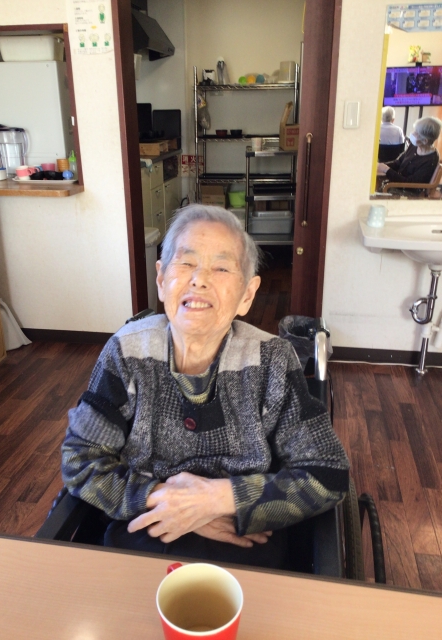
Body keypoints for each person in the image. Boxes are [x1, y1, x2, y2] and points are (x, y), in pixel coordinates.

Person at [61, 205, 349, 569]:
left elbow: (328, 473)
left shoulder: (271, 360)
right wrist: (175, 503)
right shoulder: (127, 352)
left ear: (247, 294)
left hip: (244, 536)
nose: (199, 279)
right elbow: (81, 460)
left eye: (222, 268)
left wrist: (215, 499)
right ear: (161, 278)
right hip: (147, 524)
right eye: (186, 263)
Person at [377, 116, 441, 191]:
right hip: (395, 184)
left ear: (425, 141)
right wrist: (380, 166)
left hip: (407, 191)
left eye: (416, 133)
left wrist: (387, 170)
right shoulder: (414, 146)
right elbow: (398, 163)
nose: (412, 133)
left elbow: (410, 184)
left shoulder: (431, 160)